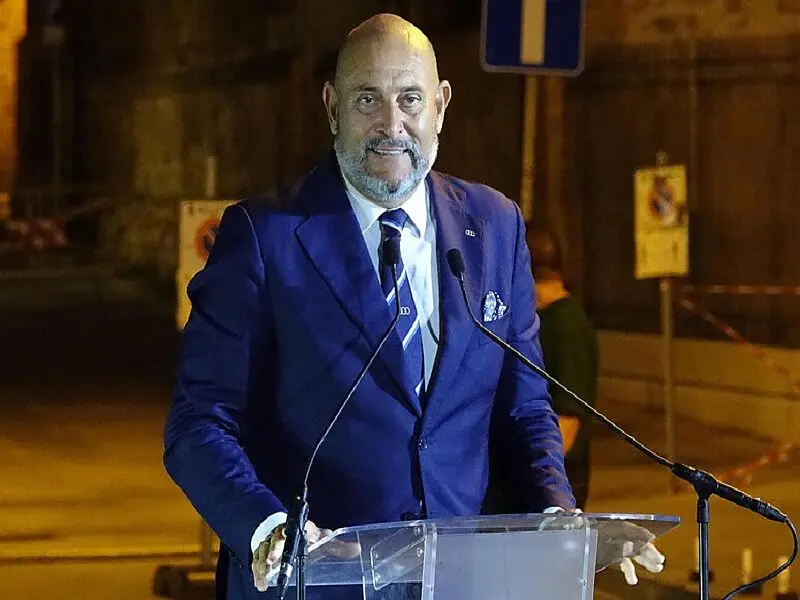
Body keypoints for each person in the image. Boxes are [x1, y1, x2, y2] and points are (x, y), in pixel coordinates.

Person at [163, 13, 664, 599]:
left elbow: (525, 410)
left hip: (461, 585)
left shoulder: (494, 226)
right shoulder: (263, 236)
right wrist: (267, 529)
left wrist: (556, 516)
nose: (391, 124)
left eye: (410, 99)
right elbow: (199, 424)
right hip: (313, 585)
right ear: (332, 108)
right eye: (367, 100)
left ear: (441, 105)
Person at [528, 226, 598, 510]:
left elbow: (567, 421)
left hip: (557, 491)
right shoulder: (547, 320)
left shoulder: (565, 325)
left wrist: (539, 481)